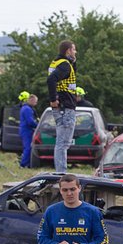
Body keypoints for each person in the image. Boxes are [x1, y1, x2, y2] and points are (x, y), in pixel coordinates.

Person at [47, 40, 79, 173]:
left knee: (62, 143)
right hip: (65, 107)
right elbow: (51, 80)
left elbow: (62, 78)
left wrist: (73, 62)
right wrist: (53, 99)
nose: (75, 51)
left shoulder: (57, 63)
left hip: (61, 106)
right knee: (63, 143)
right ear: (68, 51)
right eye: (74, 49)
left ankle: (60, 171)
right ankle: (61, 173)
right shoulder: (64, 65)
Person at [19, 92, 39, 168]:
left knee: (27, 147)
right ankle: (24, 164)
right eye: (35, 102)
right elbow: (30, 121)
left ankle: (26, 163)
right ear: (31, 101)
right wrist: (38, 126)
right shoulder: (27, 109)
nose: (36, 103)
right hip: (27, 130)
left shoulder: (25, 108)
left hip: (25, 130)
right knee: (28, 147)